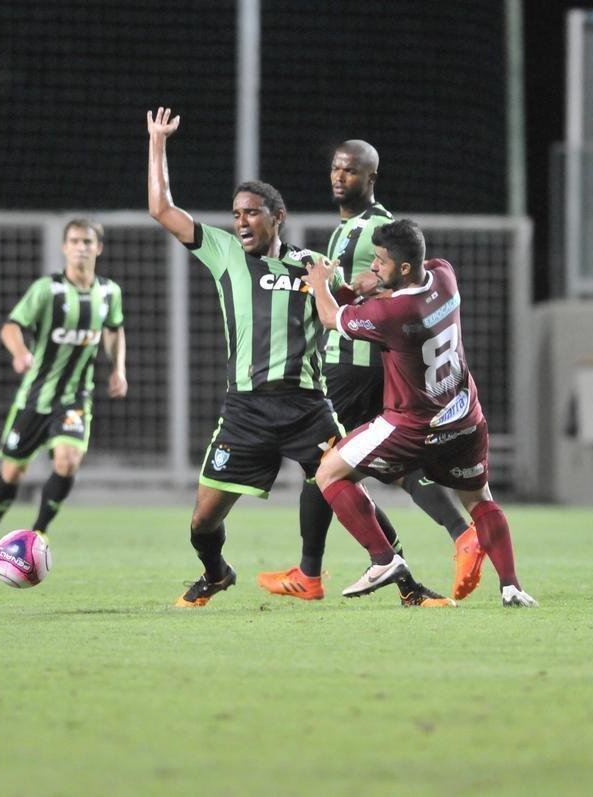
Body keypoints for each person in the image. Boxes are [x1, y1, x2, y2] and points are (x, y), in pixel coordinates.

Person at [146, 107, 451, 608]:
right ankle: (216, 571)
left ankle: (408, 587)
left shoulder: (311, 265)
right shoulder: (222, 252)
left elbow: (353, 307)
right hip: (244, 410)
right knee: (203, 521)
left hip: (308, 406)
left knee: (348, 489)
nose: (241, 220)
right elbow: (162, 208)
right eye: (237, 212)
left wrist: (366, 286)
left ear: (277, 217)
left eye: (252, 212)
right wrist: (158, 143)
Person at [258, 140, 484, 603]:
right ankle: (452, 544)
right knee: (396, 468)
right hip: (366, 362)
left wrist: (340, 291)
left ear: (371, 179)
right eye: (336, 169)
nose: (340, 178)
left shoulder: (379, 227)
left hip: (354, 364)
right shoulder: (349, 229)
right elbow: (359, 289)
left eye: (352, 172)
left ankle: (313, 573)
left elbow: (401, 288)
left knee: (323, 467)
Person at [303, 218, 537, 608]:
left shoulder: (392, 314)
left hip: (412, 425)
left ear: (405, 267)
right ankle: (511, 586)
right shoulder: (445, 276)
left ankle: (383, 559)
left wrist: (321, 285)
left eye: (380, 261)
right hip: (464, 418)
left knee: (329, 471)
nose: (374, 266)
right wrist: (376, 283)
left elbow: (331, 317)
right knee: (480, 500)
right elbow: (422, 274)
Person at [0, 218, 128, 572]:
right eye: (74, 241)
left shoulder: (109, 292)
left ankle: (37, 535)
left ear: (98, 248)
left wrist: (118, 369)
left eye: (87, 241)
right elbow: (11, 326)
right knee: (12, 472)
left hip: (75, 397)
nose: (81, 247)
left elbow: (114, 330)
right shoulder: (47, 290)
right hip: (35, 398)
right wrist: (19, 352)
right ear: (64, 247)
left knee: (68, 460)